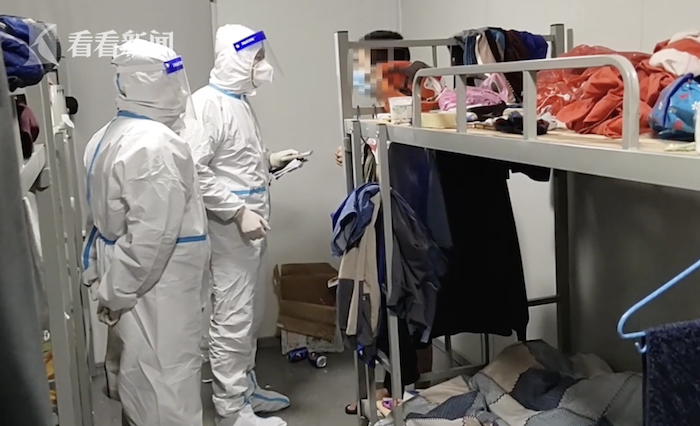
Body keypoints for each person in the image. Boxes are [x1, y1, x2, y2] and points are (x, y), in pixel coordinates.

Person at [81, 39, 209, 426]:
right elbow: (150, 239)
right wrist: (119, 290)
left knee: (139, 375)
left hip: (134, 282)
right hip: (157, 288)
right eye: (171, 78)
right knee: (167, 384)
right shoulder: (156, 145)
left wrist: (112, 285)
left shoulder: (110, 133)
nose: (181, 89)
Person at [187, 24, 303, 426]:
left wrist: (270, 160)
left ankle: (246, 388)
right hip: (229, 229)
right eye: (257, 59)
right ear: (235, 60)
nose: (263, 66)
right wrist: (238, 212)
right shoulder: (207, 105)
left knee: (249, 313)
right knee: (233, 316)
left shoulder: (237, 101)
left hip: (251, 226)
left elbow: (234, 160)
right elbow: (196, 171)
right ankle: (232, 408)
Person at [335, 30, 434, 416]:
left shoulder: (418, 110)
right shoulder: (379, 114)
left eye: (364, 69)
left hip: (409, 230)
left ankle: (415, 396)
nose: (359, 78)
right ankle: (386, 391)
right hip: (383, 230)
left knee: (411, 315)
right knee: (381, 316)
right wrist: (354, 153)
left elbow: (409, 172)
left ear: (390, 69)